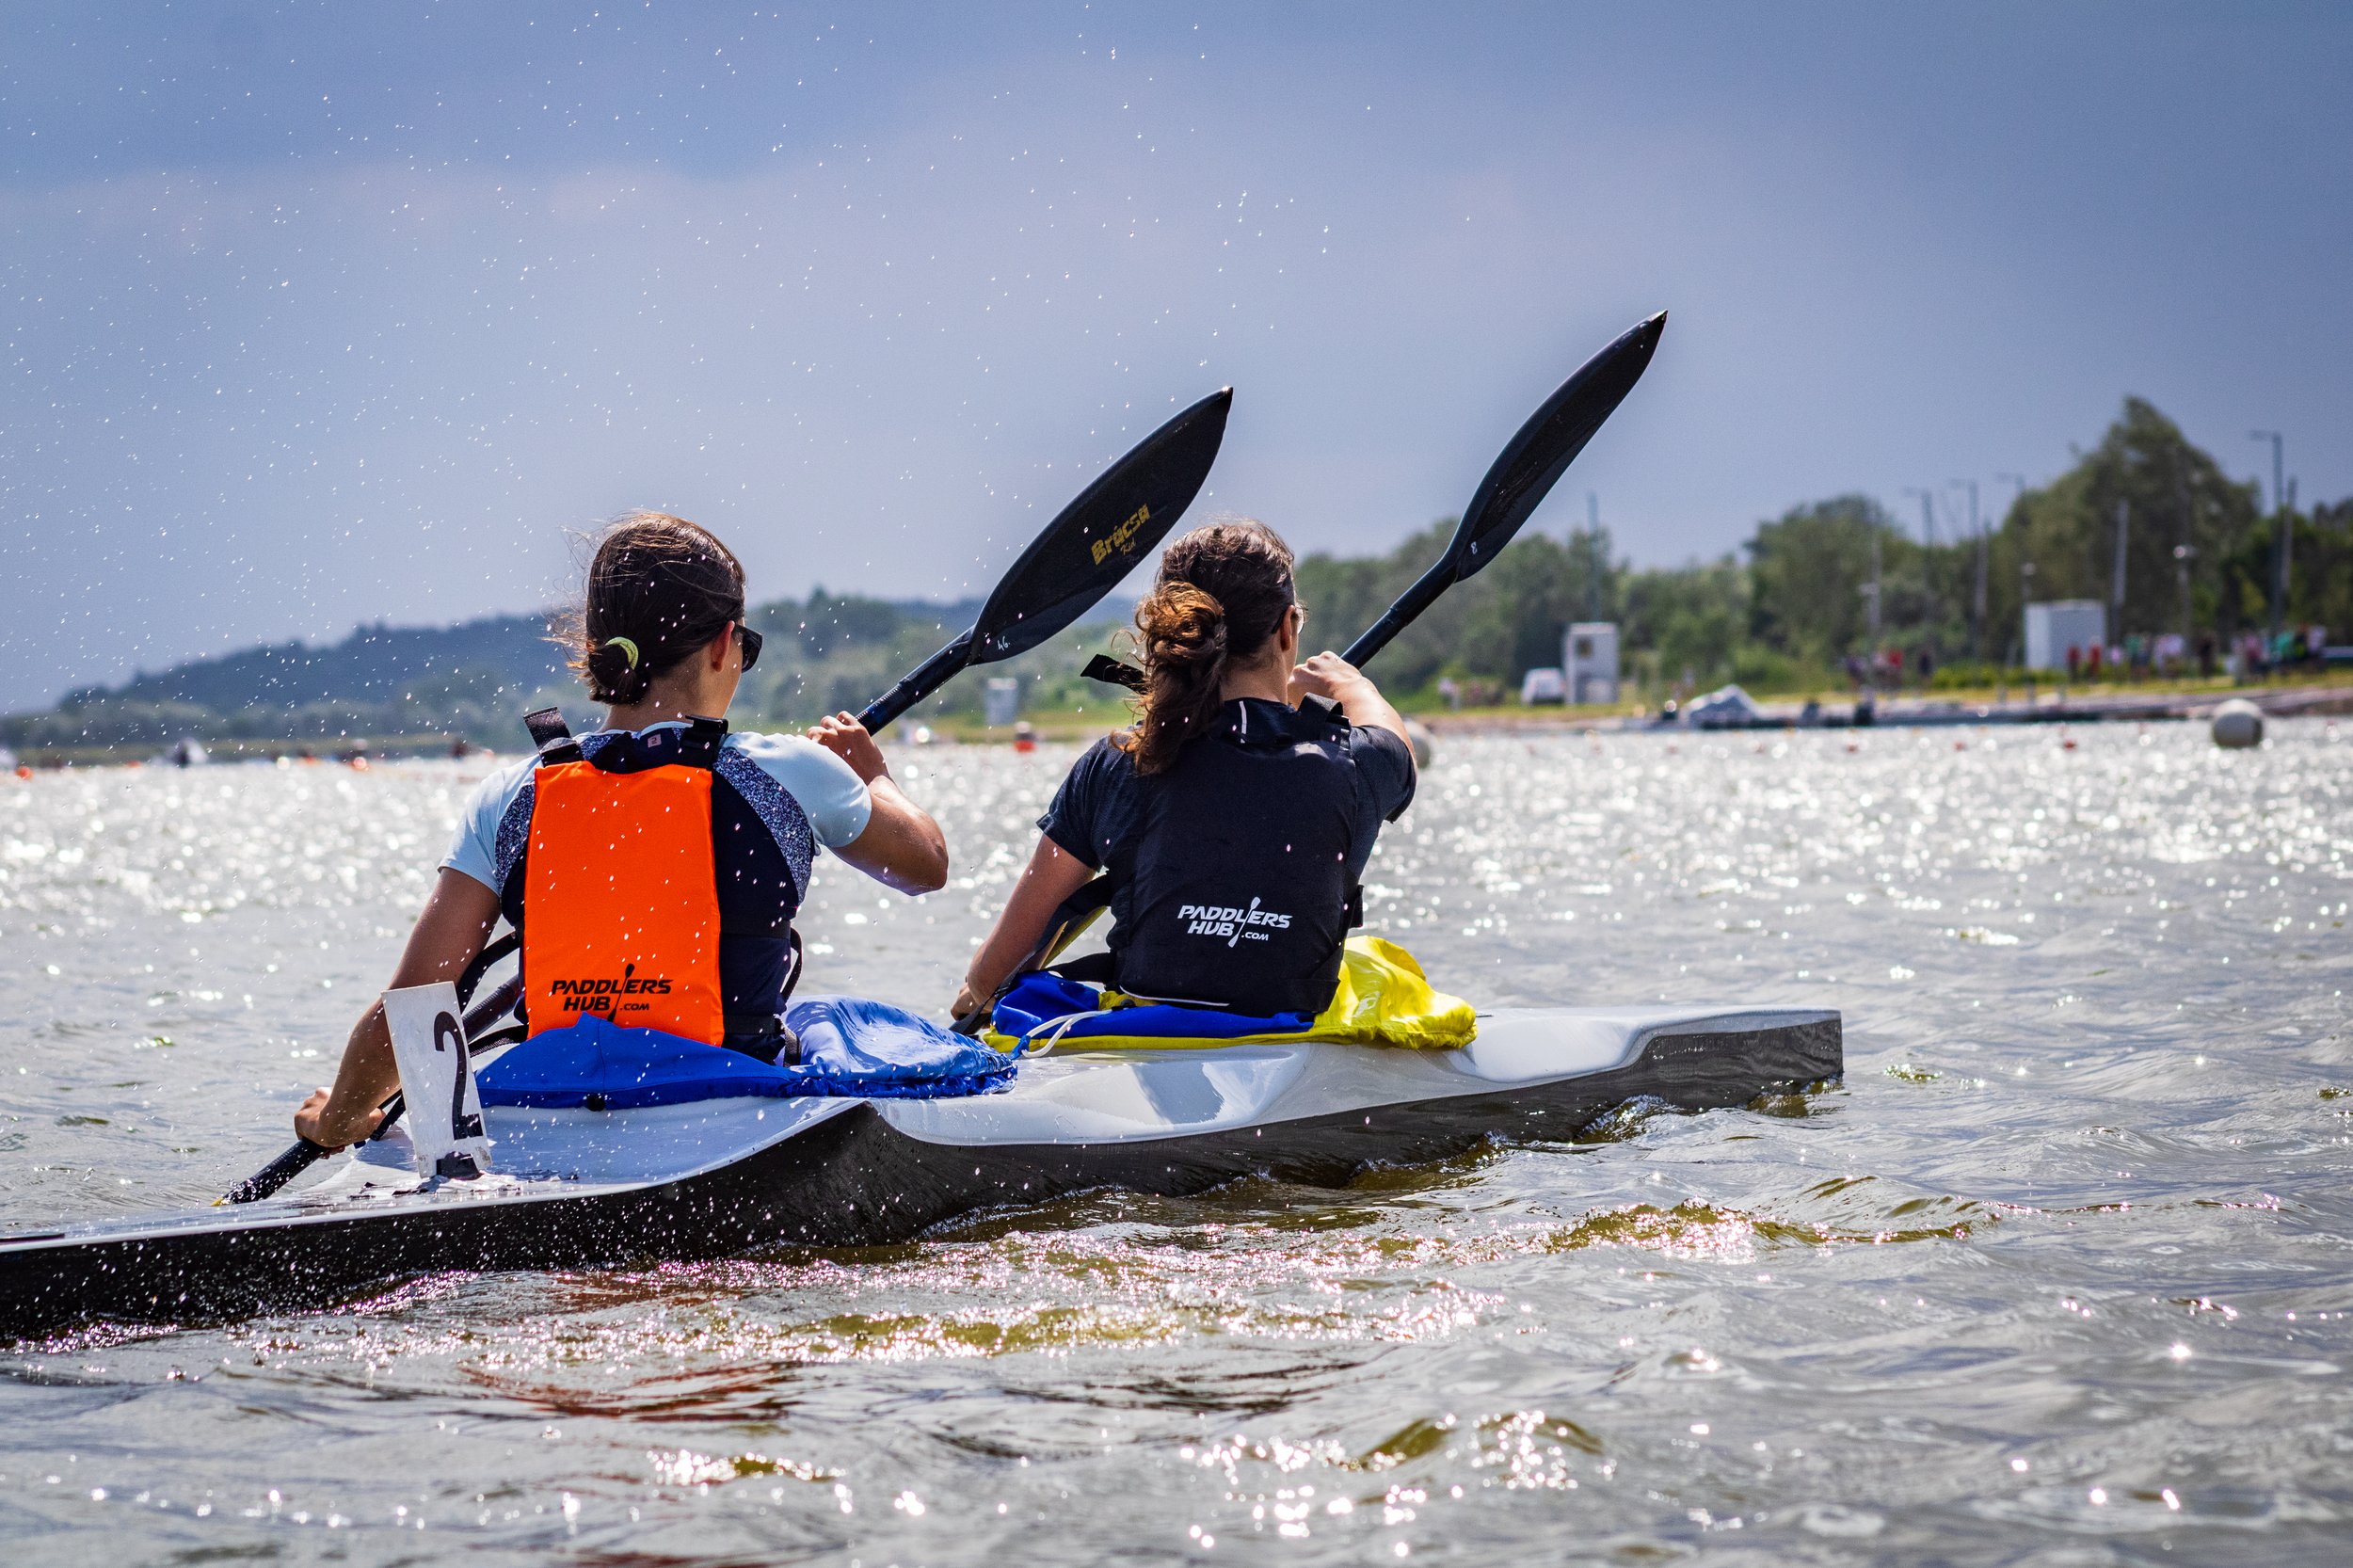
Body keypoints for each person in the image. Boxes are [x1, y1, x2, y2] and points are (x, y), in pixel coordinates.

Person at [295, 512, 948, 1149]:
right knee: (838, 1028)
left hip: (544, 1114)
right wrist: (873, 773)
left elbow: (417, 1001)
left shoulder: (514, 794)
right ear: (725, 644)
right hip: (730, 1112)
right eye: (745, 647)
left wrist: (343, 1120)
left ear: (597, 651)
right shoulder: (790, 770)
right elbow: (925, 867)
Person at [952, 520, 1416, 1022]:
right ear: (1287, 629)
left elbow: (1002, 966)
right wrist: (1350, 685)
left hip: (1153, 1035)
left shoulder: (1121, 761)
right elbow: (1398, 748)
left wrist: (976, 992)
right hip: (1286, 1033)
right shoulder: (1354, 764)